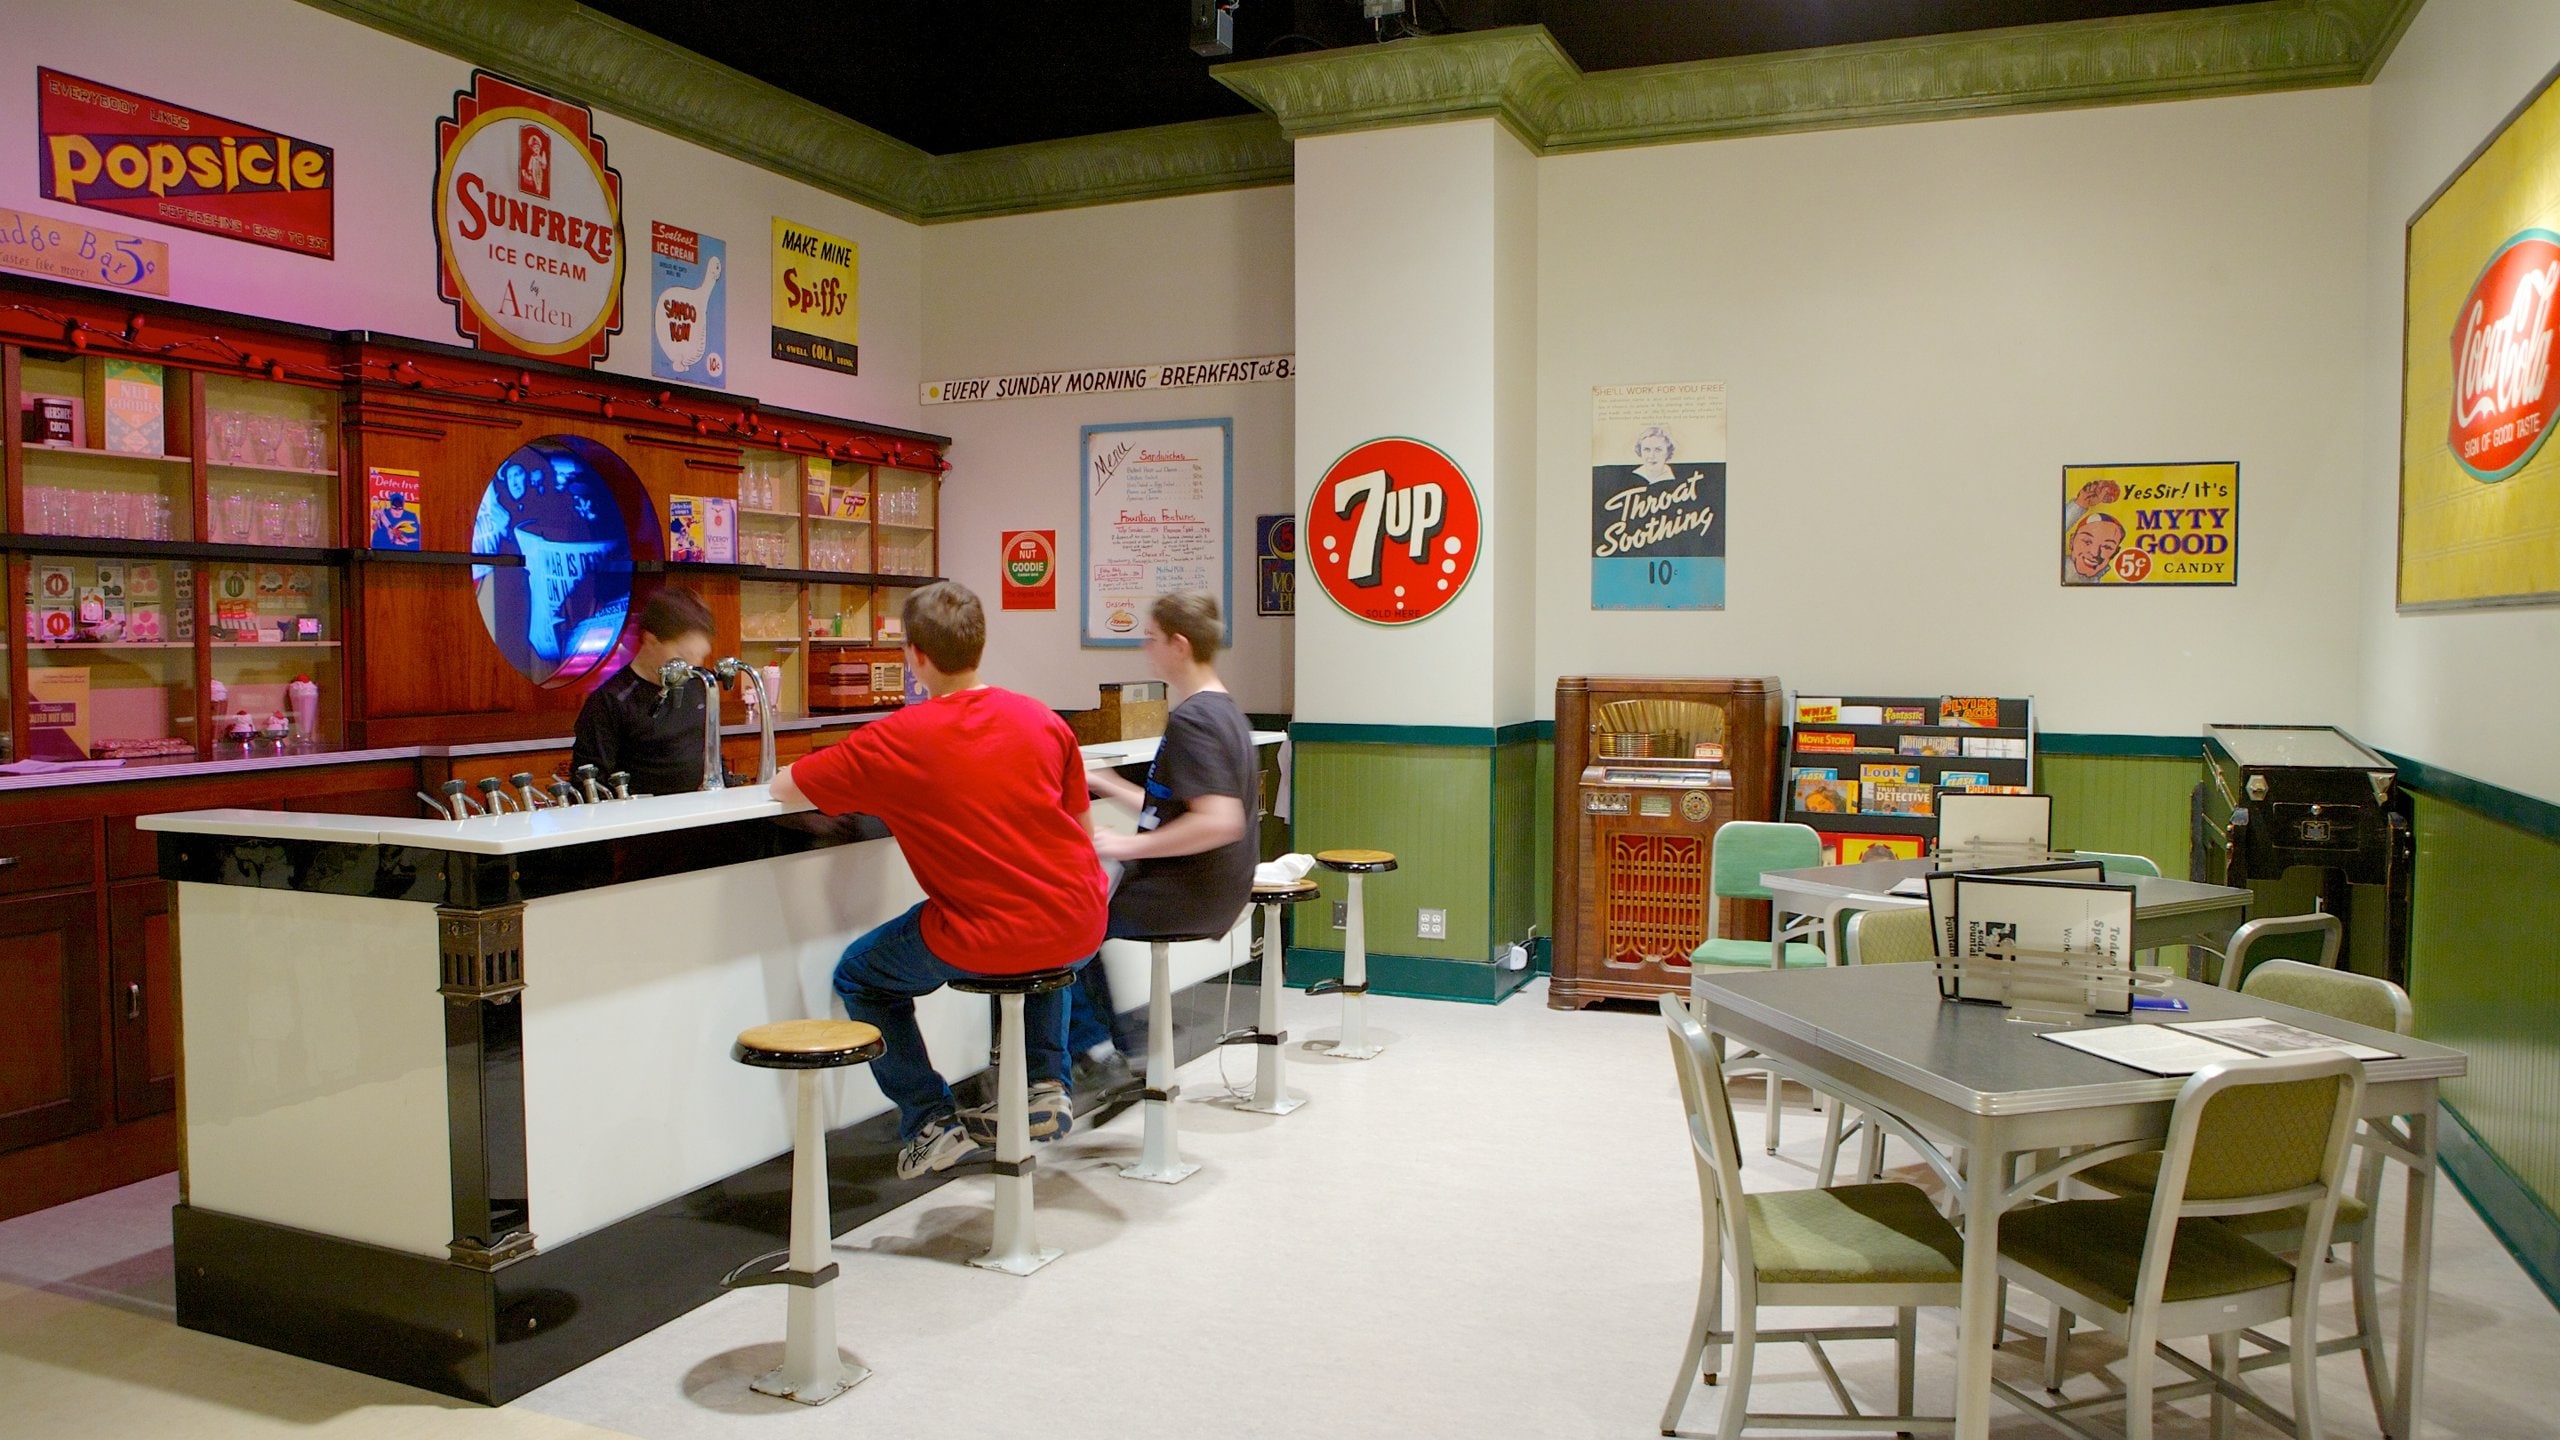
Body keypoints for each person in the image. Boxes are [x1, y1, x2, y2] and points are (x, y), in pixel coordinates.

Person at [771, 583, 1108, 1179]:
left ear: (915, 655)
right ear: (979, 646)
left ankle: (931, 1121)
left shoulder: (896, 738)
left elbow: (786, 788)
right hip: (1081, 919)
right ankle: (1045, 1085)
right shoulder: (1043, 720)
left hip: (984, 932)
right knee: (1044, 928)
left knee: (862, 977)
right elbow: (1080, 835)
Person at [1073, 592, 1260, 1088]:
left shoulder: (1192, 721)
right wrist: (1110, 783)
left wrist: (1124, 847)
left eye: (1151, 638)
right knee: (1077, 923)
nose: (1145, 647)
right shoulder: (1222, 711)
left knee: (1062, 926)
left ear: (1178, 645)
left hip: (1189, 893)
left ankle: (1098, 1052)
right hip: (1215, 888)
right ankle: (1118, 1047)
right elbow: (1173, 810)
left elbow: (1219, 822)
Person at [569, 587, 717, 796]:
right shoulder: (610, 701)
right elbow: (588, 787)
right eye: (683, 655)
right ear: (650, 640)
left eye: (700, 657)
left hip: (704, 816)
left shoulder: (700, 685)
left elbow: (712, 757)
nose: (691, 667)